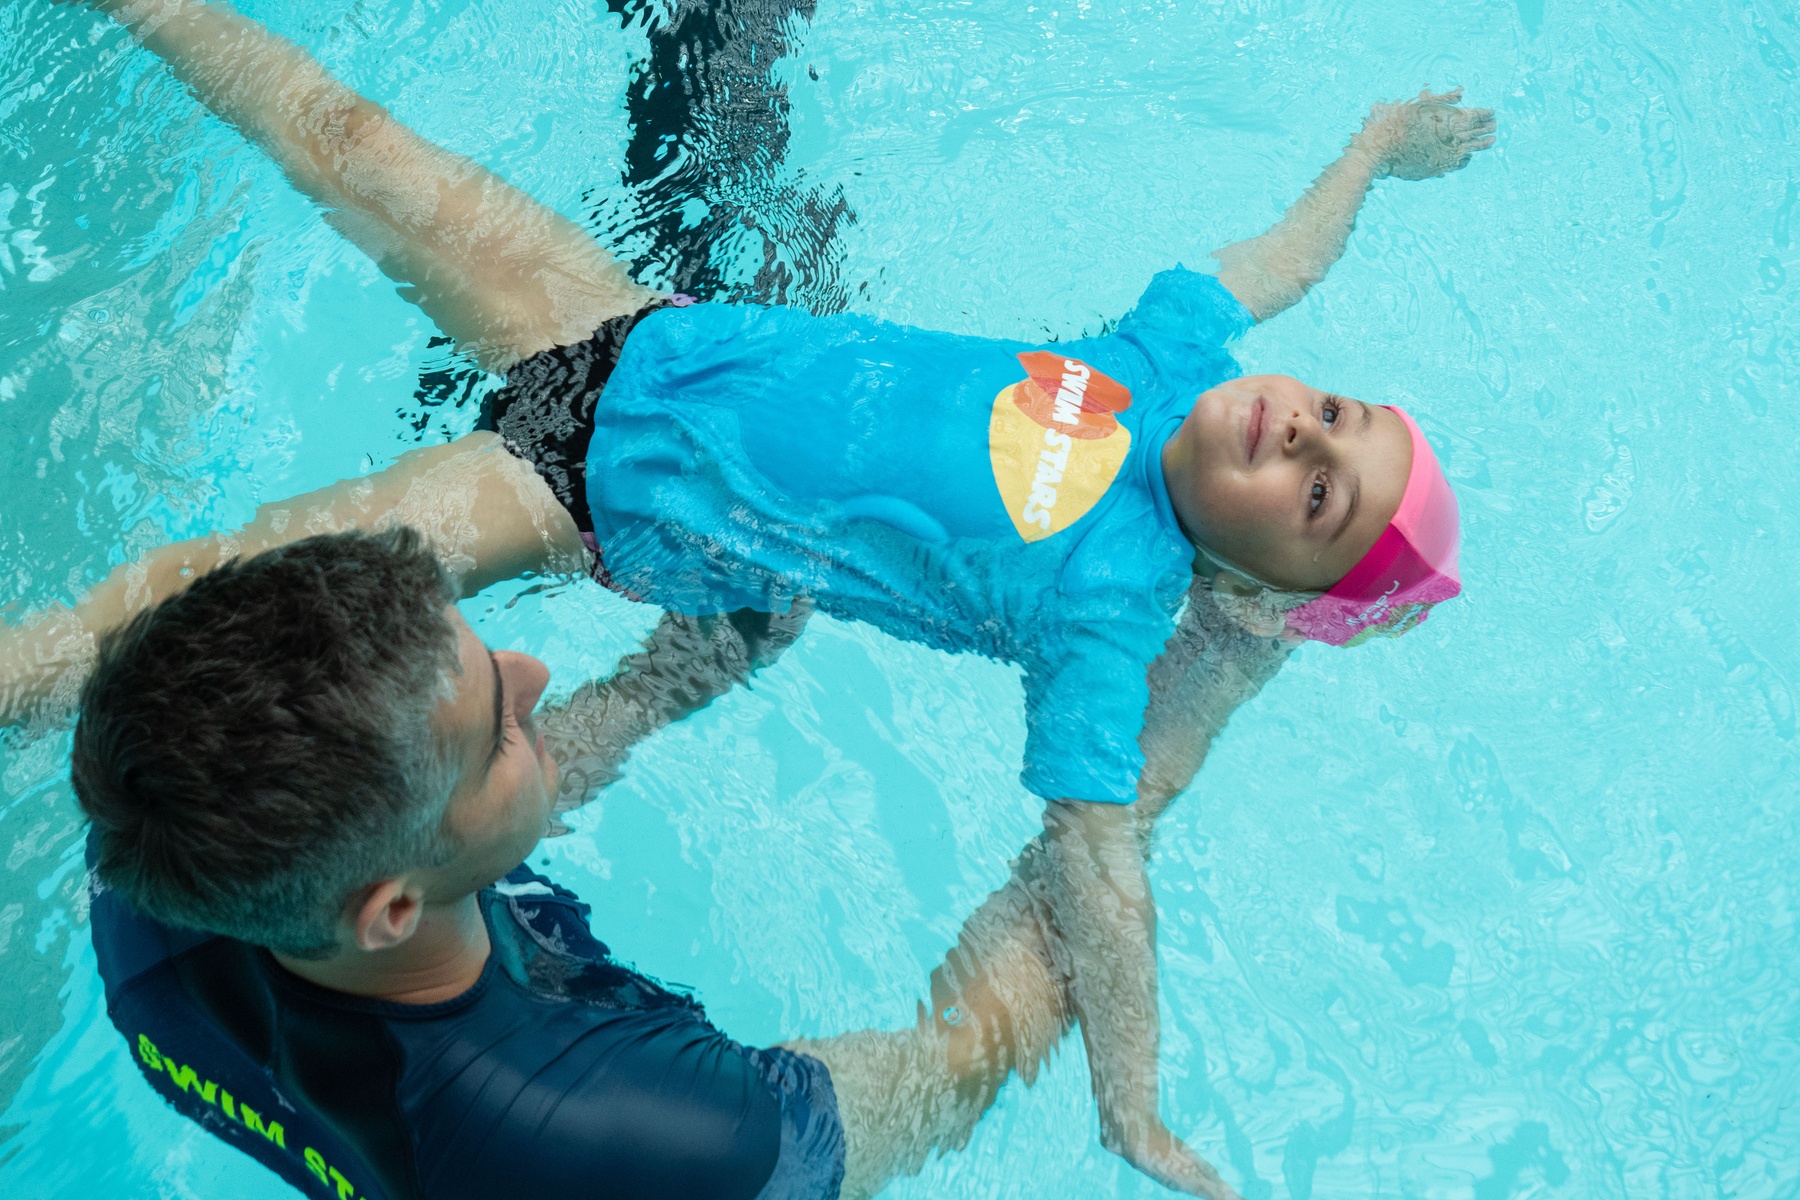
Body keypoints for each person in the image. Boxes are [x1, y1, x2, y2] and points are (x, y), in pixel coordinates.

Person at [7, 0, 1492, 1187]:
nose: (1302, 430)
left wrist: (1135, 1107)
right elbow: (1274, 265)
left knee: (207, 550)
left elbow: (1098, 865)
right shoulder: (1172, 367)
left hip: (577, 473)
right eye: (1337, 418)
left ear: (1252, 576)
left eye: (1316, 499)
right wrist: (1368, 153)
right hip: (627, 342)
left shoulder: (1105, 615)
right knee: (341, 163)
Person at [74, 526, 1271, 1200]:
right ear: (390, 908)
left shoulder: (161, 831)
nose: (535, 676)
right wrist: (1211, 670)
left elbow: (426, 818)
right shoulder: (650, 1132)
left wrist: (665, 682)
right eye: (502, 728)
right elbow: (965, 1055)